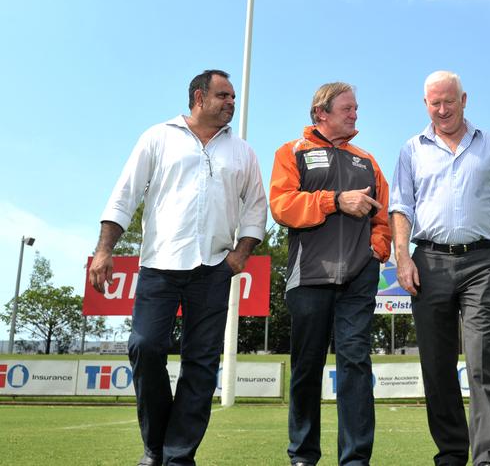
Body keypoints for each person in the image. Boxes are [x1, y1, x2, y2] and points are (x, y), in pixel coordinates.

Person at [88, 69, 267, 466]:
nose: (231, 103)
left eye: (234, 97)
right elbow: (124, 195)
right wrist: (104, 250)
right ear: (199, 98)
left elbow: (257, 206)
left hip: (213, 270)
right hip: (159, 265)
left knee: (201, 365)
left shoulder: (243, 152)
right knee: (145, 346)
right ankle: (155, 444)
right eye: (224, 96)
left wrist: (240, 255)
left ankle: (177, 455)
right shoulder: (158, 136)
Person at [389, 71, 490, 466]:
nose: (442, 110)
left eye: (449, 101)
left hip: (483, 262)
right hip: (429, 261)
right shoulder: (411, 149)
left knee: (482, 361)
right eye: (434, 103)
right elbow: (402, 207)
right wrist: (402, 255)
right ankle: (450, 453)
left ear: (464, 99)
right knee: (436, 364)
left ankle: (486, 460)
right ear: (425, 104)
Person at [269, 82, 391, 466]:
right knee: (307, 366)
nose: (355, 114)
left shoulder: (367, 160)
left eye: (356, 107)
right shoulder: (292, 152)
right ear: (321, 112)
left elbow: (384, 214)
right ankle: (303, 455)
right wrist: (336, 201)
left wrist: (378, 249)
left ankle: (355, 459)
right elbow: (281, 205)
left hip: (359, 277)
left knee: (356, 363)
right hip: (309, 277)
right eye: (348, 108)